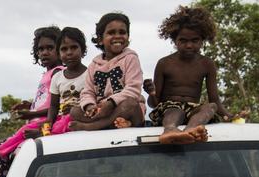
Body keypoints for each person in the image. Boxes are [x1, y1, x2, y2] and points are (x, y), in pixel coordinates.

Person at [143, 6, 238, 144]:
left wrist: (230, 116)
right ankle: (169, 131)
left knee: (211, 107)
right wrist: (151, 93)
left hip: (193, 111)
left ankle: (190, 130)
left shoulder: (207, 64)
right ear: (174, 40)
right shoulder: (164, 63)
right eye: (183, 41)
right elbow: (154, 104)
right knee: (176, 110)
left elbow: (215, 100)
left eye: (195, 40)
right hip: (167, 112)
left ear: (202, 40)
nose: (189, 45)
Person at [0, 26, 63, 171]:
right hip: (39, 121)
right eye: (41, 49)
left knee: (21, 133)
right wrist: (31, 105)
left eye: (50, 48)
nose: (44, 52)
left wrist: (32, 114)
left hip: (48, 122)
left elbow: (58, 106)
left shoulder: (59, 73)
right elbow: (48, 101)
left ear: (60, 48)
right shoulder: (48, 74)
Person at [69, 12, 146, 131]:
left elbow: (133, 89)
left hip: (125, 109)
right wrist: (90, 106)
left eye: (122, 32)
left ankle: (94, 126)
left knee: (130, 104)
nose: (118, 36)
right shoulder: (94, 65)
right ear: (100, 40)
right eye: (111, 33)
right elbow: (87, 92)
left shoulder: (131, 58)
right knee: (75, 111)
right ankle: (112, 123)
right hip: (102, 111)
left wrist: (111, 103)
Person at [44, 27, 88, 135]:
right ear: (58, 54)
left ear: (83, 51)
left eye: (74, 47)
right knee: (26, 129)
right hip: (59, 119)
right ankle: (0, 151)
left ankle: (45, 134)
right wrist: (48, 123)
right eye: (64, 49)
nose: (69, 53)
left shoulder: (90, 74)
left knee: (66, 123)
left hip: (80, 118)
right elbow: (54, 106)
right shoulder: (57, 77)